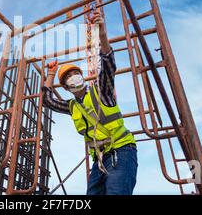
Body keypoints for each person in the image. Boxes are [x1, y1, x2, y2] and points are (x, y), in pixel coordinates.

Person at [41, 11, 138, 195]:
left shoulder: (101, 91)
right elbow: (47, 101)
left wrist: (102, 34)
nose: (73, 77)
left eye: (75, 73)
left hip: (121, 150)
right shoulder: (72, 106)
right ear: (66, 87)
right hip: (100, 160)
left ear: (82, 77)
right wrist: (51, 74)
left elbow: (108, 66)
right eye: (68, 77)